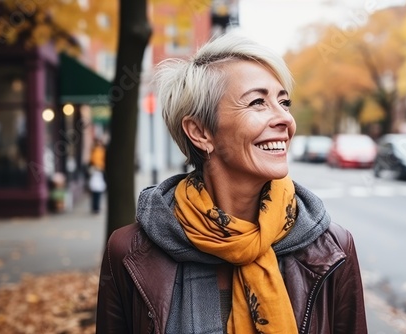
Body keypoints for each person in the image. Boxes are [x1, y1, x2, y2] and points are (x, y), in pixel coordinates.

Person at [96, 32, 367, 334]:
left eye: (284, 102)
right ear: (200, 132)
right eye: (257, 102)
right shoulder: (129, 252)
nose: (285, 120)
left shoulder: (333, 248)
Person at [88, 138, 106, 213]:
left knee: (98, 190)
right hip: (95, 171)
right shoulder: (94, 150)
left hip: (100, 171)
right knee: (95, 190)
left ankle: (96, 207)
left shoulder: (101, 151)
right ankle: (95, 207)